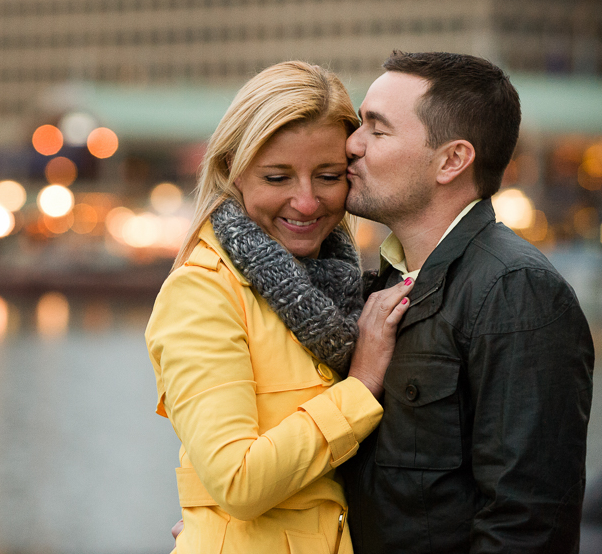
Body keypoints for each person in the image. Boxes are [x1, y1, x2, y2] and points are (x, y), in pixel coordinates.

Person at [145, 61, 413, 553]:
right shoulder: (201, 293)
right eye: (277, 177)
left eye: (328, 176)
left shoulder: (345, 291)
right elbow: (238, 481)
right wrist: (362, 385)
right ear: (231, 170)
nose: (307, 202)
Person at [340, 51, 595, 553]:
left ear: (452, 160)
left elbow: (525, 527)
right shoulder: (383, 283)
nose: (351, 144)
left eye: (377, 128)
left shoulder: (515, 290)